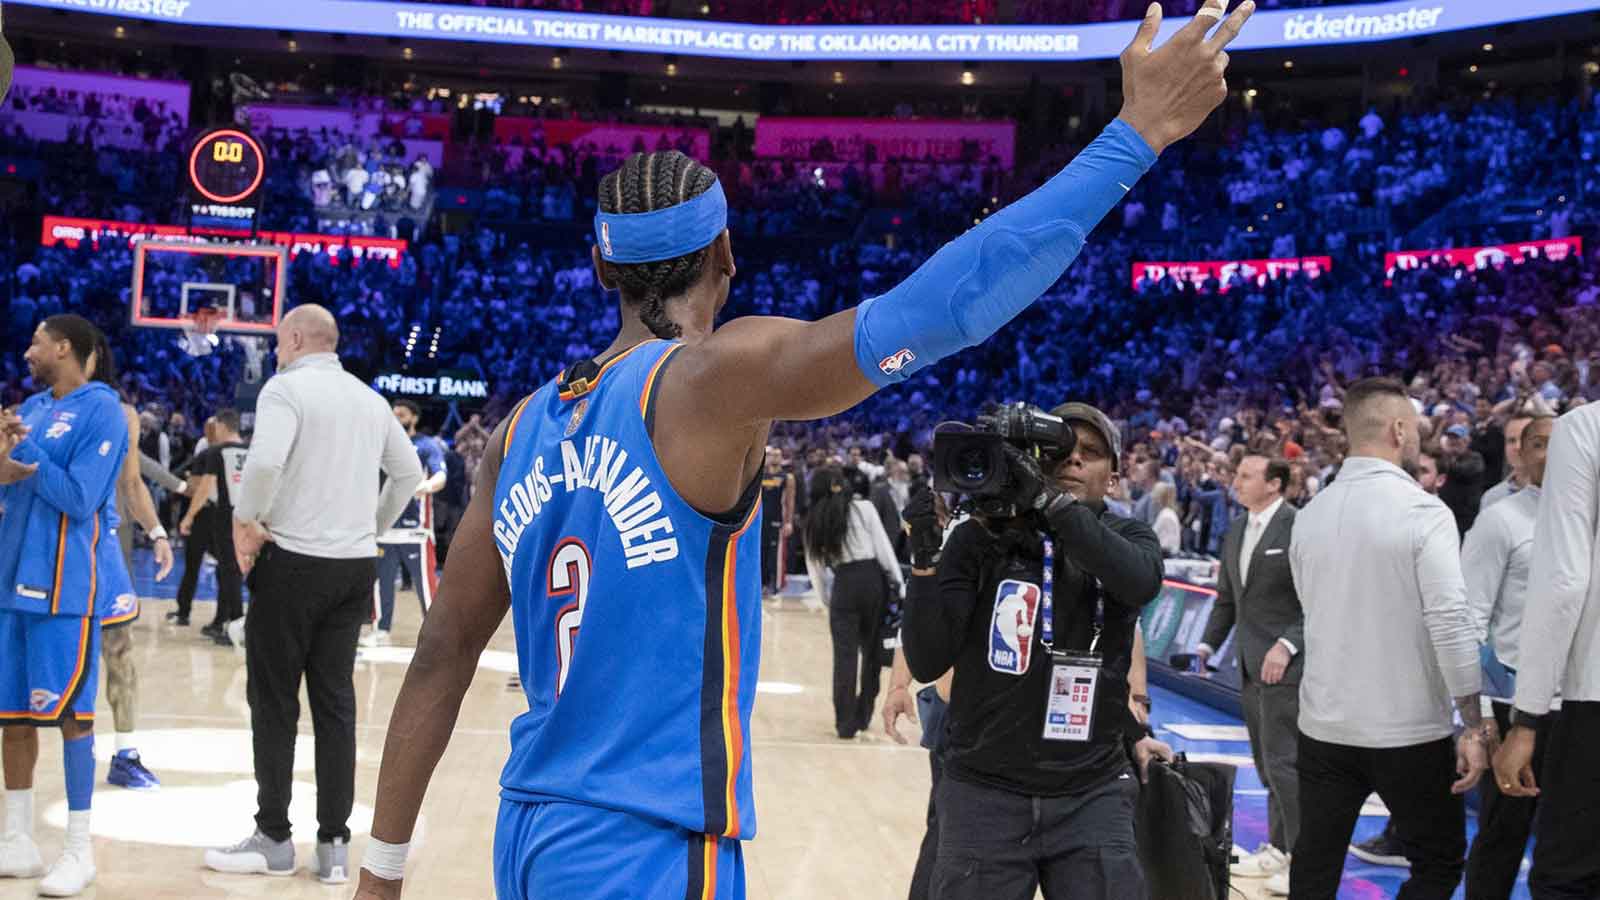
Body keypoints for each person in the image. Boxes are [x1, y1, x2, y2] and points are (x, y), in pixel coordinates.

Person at [351, 4, 1249, 896]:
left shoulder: (520, 429)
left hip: (530, 833)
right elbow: (948, 304)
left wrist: (383, 870)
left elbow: (439, 657)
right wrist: (1136, 135)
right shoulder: (710, 379)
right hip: (648, 842)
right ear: (727, 255)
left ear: (600, 266)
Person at [901, 401, 1172, 899]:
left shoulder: (1129, 537)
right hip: (984, 792)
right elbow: (928, 659)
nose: (1072, 461)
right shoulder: (981, 539)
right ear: (1033, 458)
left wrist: (1048, 503)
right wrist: (922, 559)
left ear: (1112, 477)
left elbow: (1137, 582)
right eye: (1060, 450)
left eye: (1089, 453)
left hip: (1091, 793)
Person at [204, 304, 423, 884]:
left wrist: (246, 520)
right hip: (353, 569)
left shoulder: (286, 389)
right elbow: (407, 474)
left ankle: (274, 837)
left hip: (294, 562)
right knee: (335, 707)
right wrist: (370, 527)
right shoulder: (371, 401)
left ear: (297, 339)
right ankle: (332, 847)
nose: (276, 353)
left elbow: (266, 461)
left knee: (274, 704)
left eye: (279, 343)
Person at [1287, 377, 1490, 900]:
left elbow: (1312, 611)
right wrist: (1474, 718)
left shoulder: (1309, 516)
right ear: (1400, 429)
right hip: (1406, 728)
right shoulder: (1423, 511)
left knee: (1315, 863)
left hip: (1324, 723)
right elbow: (1450, 621)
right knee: (1439, 860)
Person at [0, 315, 130, 896]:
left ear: (64, 348)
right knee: (12, 718)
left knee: (73, 718)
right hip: (9, 582)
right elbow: (16, 480)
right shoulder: (27, 409)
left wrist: (22, 456)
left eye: (35, 342)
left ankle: (79, 851)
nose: (27, 351)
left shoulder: (104, 410)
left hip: (64, 590)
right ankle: (17, 839)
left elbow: (79, 498)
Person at [1493, 402, 1600, 899]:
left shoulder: (1585, 427)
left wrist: (1528, 718)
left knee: (1567, 877)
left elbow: (1563, 582)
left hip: (1593, 695)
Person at [1196, 455, 1301, 895]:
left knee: (1285, 763)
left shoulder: (1298, 528)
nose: (1234, 482)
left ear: (1274, 484)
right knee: (1264, 761)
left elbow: (1318, 598)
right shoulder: (1237, 529)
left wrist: (1289, 643)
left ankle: (1303, 856)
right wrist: (1206, 644)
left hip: (1289, 665)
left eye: (1245, 476)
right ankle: (1278, 847)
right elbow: (1227, 599)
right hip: (1248, 663)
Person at [1461, 413, 1552, 900]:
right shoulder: (1500, 519)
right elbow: (1470, 619)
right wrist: (1476, 722)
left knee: (1568, 848)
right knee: (1502, 834)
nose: (1551, 454)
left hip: (1577, 703)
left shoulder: (1589, 520)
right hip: (1511, 699)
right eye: (1537, 444)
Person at [88, 333, 175, 789]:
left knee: (119, 650)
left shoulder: (122, 415)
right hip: (50, 548)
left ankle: (125, 752)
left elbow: (132, 482)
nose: (29, 354)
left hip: (103, 550)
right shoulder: (35, 411)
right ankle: (73, 746)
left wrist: (157, 531)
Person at [805, 466, 905, 739]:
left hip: (844, 586)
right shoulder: (864, 508)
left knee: (845, 658)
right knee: (872, 653)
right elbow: (884, 550)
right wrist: (899, 585)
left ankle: (845, 723)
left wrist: (830, 600)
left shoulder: (813, 520)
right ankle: (864, 714)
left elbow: (816, 571)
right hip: (873, 580)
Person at [365, 399, 446, 647]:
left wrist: (426, 487)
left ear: (414, 418)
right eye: (393, 414)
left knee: (426, 584)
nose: (395, 418)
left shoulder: (426, 445)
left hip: (415, 530)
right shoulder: (380, 445)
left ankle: (435, 634)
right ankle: (380, 629)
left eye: (400, 414)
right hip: (384, 527)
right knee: (381, 583)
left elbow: (440, 475)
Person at [181, 409, 248, 644]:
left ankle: (237, 626)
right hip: (248, 515)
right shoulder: (249, 450)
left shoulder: (217, 452)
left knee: (229, 572)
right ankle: (223, 621)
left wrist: (189, 516)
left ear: (221, 426)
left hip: (225, 515)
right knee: (229, 571)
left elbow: (204, 488)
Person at [172, 417, 219, 628]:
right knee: (222, 569)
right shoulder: (213, 450)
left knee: (194, 565)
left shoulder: (207, 454)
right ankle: (222, 617)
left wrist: (189, 515)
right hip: (222, 514)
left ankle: (186, 612)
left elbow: (196, 487)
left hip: (203, 513)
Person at [759, 447, 796, 598]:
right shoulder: (761, 475)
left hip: (777, 520)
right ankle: (762, 584)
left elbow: (790, 501)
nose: (774, 457)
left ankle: (775, 585)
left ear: (782, 458)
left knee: (775, 555)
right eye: (771, 455)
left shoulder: (787, 477)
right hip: (761, 521)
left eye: (777, 455)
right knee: (761, 553)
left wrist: (788, 522)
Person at [1478, 412, 1533, 510]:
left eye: (1525, 438)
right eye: (1511, 440)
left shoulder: (1563, 492)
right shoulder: (1492, 498)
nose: (1518, 447)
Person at [1149, 482, 1181, 554]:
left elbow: (1168, 545)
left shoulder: (1166, 516)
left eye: (1154, 494)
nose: (1152, 497)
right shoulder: (1165, 513)